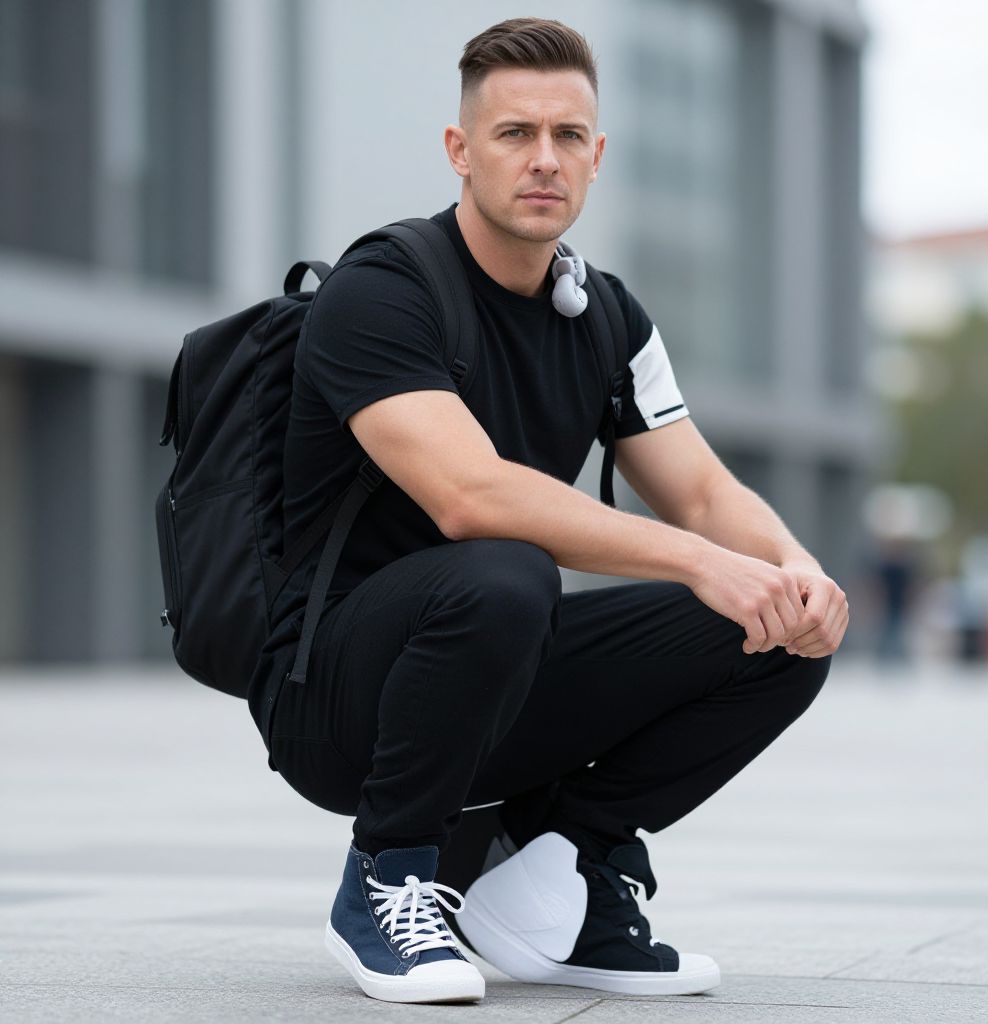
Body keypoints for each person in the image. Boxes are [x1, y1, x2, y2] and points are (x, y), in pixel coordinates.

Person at [246, 17, 848, 1006]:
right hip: (336, 694)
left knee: (777, 629)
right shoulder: (385, 290)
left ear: (596, 155)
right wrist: (696, 562)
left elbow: (699, 488)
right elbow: (466, 494)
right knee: (504, 565)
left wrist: (794, 570)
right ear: (459, 150)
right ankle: (385, 875)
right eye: (514, 133)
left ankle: (550, 871)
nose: (543, 159)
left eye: (567, 136)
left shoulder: (604, 314)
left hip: (496, 666)